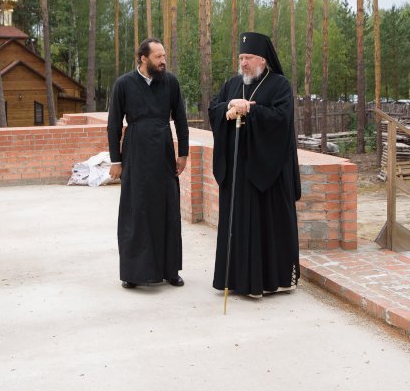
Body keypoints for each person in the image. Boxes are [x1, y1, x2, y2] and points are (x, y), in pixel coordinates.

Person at [209, 32, 301, 298]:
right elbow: (213, 109)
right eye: (241, 58)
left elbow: (282, 119)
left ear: (262, 59)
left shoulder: (280, 85)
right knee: (237, 228)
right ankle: (237, 280)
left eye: (248, 58)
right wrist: (229, 107)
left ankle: (274, 280)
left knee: (269, 227)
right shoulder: (232, 84)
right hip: (237, 172)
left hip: (269, 173)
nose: (243, 63)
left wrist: (250, 110)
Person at [108, 38, 189, 289]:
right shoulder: (123, 84)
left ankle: (170, 270)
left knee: (167, 208)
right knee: (137, 209)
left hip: (163, 151)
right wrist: (116, 160)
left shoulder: (171, 82)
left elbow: (181, 119)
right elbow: (113, 124)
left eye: (164, 56)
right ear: (143, 58)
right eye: (158, 57)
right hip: (135, 152)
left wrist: (183, 154)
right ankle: (134, 273)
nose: (163, 61)